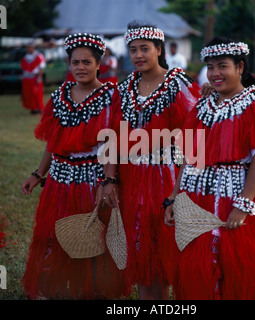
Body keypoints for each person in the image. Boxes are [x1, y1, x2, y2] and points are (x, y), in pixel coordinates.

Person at [164, 36, 255, 300]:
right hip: (196, 196)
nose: (215, 73)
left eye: (223, 66)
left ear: (240, 67)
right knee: (197, 268)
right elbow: (189, 156)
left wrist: (242, 205)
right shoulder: (203, 104)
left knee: (234, 269)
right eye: (210, 67)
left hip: (232, 197)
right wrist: (175, 197)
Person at [21, 33, 130, 299]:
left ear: (98, 64)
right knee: (55, 234)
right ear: (69, 64)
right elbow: (52, 141)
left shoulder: (111, 95)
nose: (80, 67)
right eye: (75, 62)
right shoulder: (59, 96)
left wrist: (108, 181)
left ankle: (92, 291)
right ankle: (58, 289)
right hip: (58, 180)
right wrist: (38, 173)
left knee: (92, 237)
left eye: (86, 62)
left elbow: (113, 144)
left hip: (93, 179)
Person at [98, 21, 200, 300]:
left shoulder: (178, 84)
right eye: (133, 50)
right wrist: (109, 179)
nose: (139, 55)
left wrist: (181, 188)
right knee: (140, 247)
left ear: (159, 49)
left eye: (145, 49)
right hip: (131, 178)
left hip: (167, 176)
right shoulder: (123, 88)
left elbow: (193, 139)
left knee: (164, 248)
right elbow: (112, 138)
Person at [21, 42, 46, 114]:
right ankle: (32, 109)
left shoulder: (38, 56)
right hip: (27, 78)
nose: (28, 49)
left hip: (35, 77)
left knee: (37, 93)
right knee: (29, 94)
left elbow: (41, 67)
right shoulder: (25, 56)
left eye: (30, 47)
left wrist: (39, 77)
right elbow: (24, 68)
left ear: (33, 47)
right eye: (27, 47)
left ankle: (39, 109)